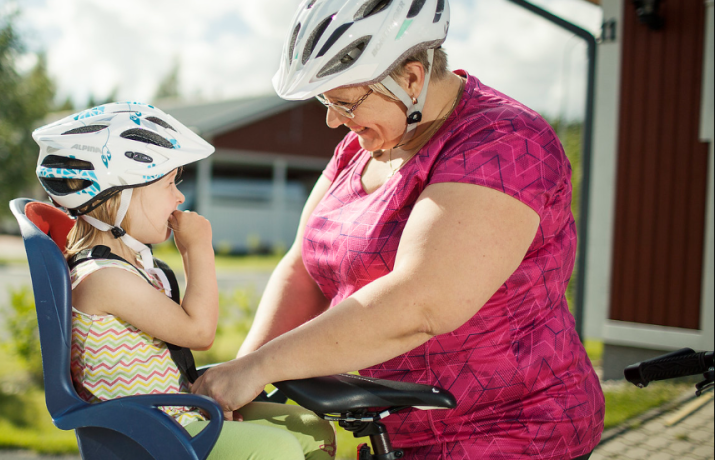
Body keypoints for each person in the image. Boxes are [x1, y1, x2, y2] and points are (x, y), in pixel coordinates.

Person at [191, 1, 604, 459]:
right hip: (384, 428)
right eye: (326, 102)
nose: (332, 120)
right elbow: (302, 269)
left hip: (507, 431)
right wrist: (242, 373)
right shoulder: (361, 145)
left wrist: (262, 366)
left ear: (410, 78)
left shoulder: (504, 142)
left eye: (345, 102)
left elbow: (422, 301)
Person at [32, 102, 336, 460]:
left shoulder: (126, 268)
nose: (179, 197)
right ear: (118, 197)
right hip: (149, 432)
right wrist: (197, 249)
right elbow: (199, 333)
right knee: (277, 449)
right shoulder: (105, 279)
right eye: (167, 184)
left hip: (174, 416)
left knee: (309, 428)